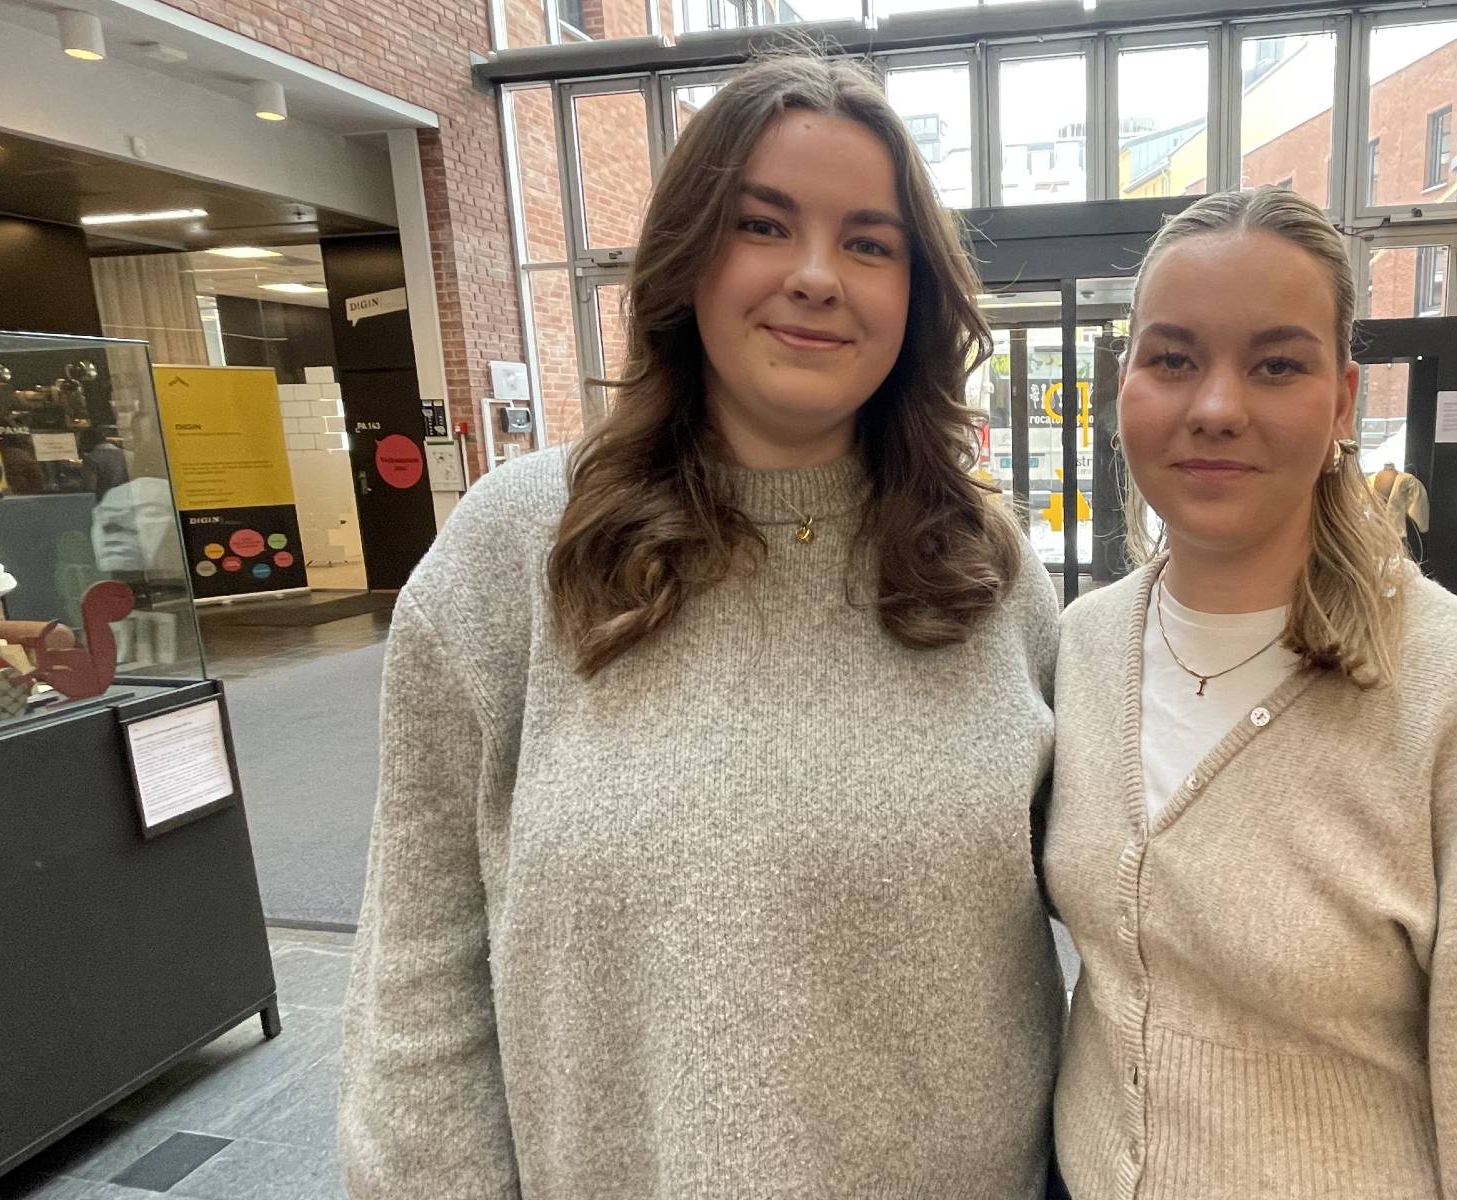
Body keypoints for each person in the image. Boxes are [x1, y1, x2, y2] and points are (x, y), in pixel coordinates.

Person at [338, 55, 1066, 1198]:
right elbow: (421, 968)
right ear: (688, 261)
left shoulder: (990, 574)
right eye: (763, 225)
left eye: (871, 243)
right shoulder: (519, 551)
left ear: (916, 295)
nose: (818, 277)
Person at [1043, 187, 1457, 1198]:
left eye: (1275, 364)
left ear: (1341, 402)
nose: (1215, 407)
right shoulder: (1079, 651)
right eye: (1173, 359)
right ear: (1126, 388)